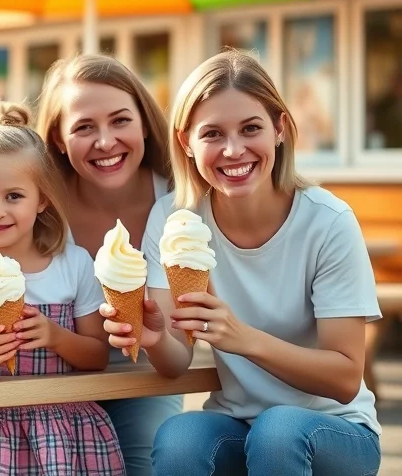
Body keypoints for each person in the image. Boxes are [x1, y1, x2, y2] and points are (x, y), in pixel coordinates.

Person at [105, 50, 381, 475]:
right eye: (212, 134)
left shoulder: (328, 222)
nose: (233, 150)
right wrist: (154, 336)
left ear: (279, 129)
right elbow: (176, 361)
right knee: (179, 438)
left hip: (336, 430)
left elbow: (345, 379)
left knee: (279, 430)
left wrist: (242, 338)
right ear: (187, 144)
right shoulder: (174, 218)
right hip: (239, 423)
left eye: (250, 128)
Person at [0, 100, 123, 475]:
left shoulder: (74, 263)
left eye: (14, 196)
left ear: (41, 200)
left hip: (66, 424)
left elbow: (97, 356)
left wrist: (56, 337)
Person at [35, 54, 181, 476]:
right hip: (54, 381)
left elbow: (174, 349)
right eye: (83, 127)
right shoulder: (37, 202)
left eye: (120, 120)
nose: (105, 141)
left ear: (143, 123)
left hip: (146, 379)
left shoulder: (178, 202)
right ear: (59, 139)